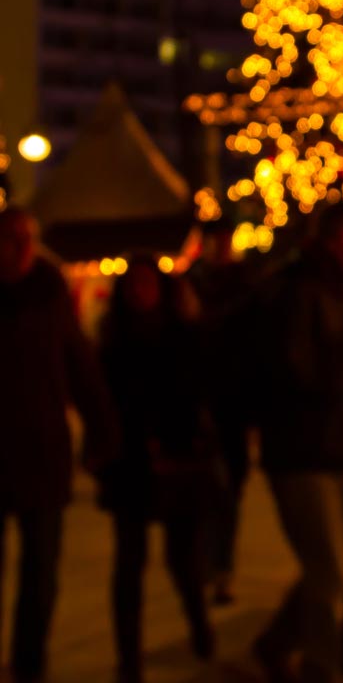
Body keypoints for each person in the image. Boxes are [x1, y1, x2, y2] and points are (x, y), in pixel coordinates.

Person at [252, 203, 343, 683]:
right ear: (338, 238)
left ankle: (275, 643)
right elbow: (297, 370)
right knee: (330, 571)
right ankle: (321, 670)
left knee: (334, 571)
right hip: (303, 448)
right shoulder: (300, 292)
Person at [0, 207, 115, 682]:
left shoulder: (50, 295)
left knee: (40, 573)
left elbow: (80, 364)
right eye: (12, 239)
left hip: (41, 450)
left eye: (27, 238)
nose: (22, 247)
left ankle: (30, 664)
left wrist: (103, 429)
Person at [97, 256, 218, 683]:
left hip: (179, 460)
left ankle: (199, 623)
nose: (139, 292)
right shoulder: (112, 343)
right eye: (133, 285)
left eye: (147, 283)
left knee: (183, 559)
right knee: (129, 565)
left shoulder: (184, 337)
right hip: (129, 465)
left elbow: (200, 392)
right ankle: (129, 659)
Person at [187, 218, 256, 605]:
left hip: (234, 402)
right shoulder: (190, 284)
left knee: (230, 488)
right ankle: (204, 564)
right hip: (199, 402)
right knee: (207, 490)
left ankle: (220, 568)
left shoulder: (244, 284)